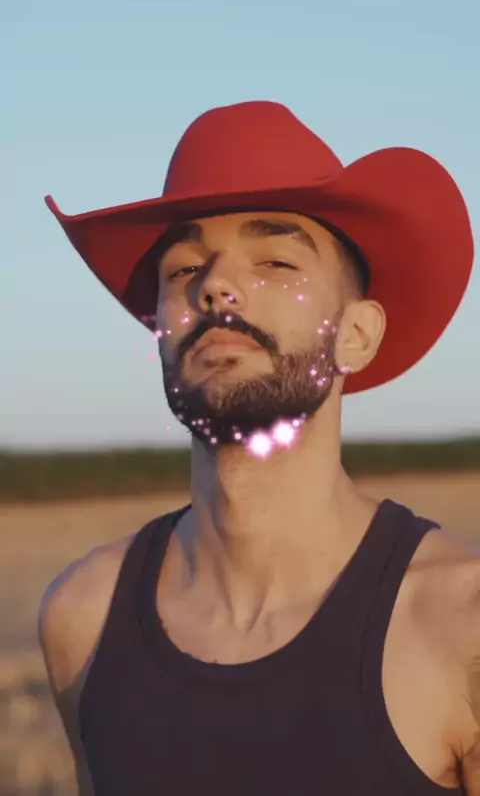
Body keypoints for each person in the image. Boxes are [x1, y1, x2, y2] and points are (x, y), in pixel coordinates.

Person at [39, 100, 479, 795]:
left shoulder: (461, 623)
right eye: (183, 270)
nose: (215, 285)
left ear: (357, 335)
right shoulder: (82, 617)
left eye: (274, 260)